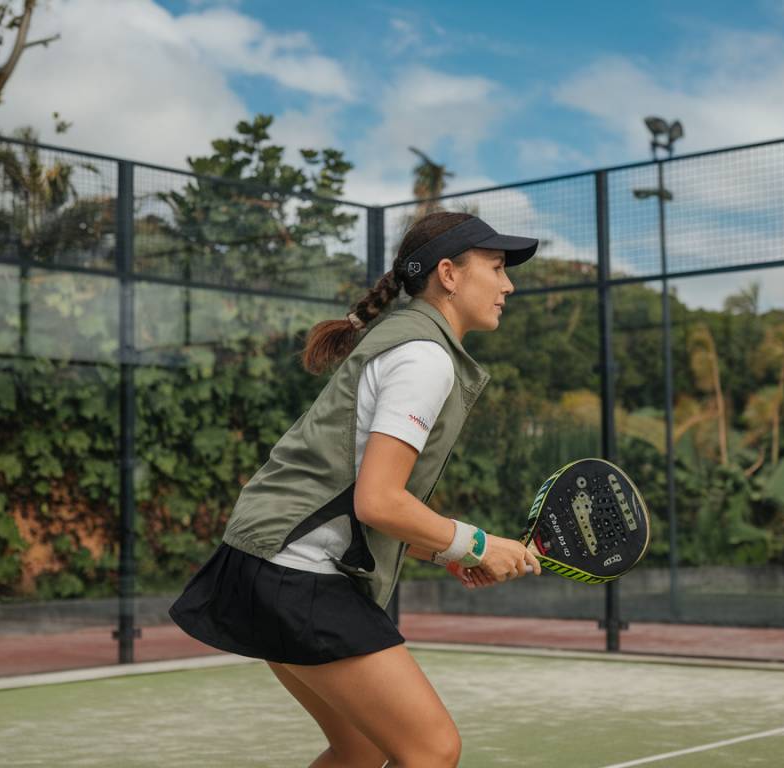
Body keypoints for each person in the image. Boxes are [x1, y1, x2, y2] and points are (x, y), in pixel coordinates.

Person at [169, 210, 543, 768]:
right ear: (449, 273)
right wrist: (480, 544)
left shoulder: (406, 342)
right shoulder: (424, 357)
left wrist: (444, 550)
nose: (507, 283)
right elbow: (379, 500)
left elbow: (358, 500)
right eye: (495, 267)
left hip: (261, 562)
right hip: (295, 574)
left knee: (359, 749)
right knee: (432, 749)